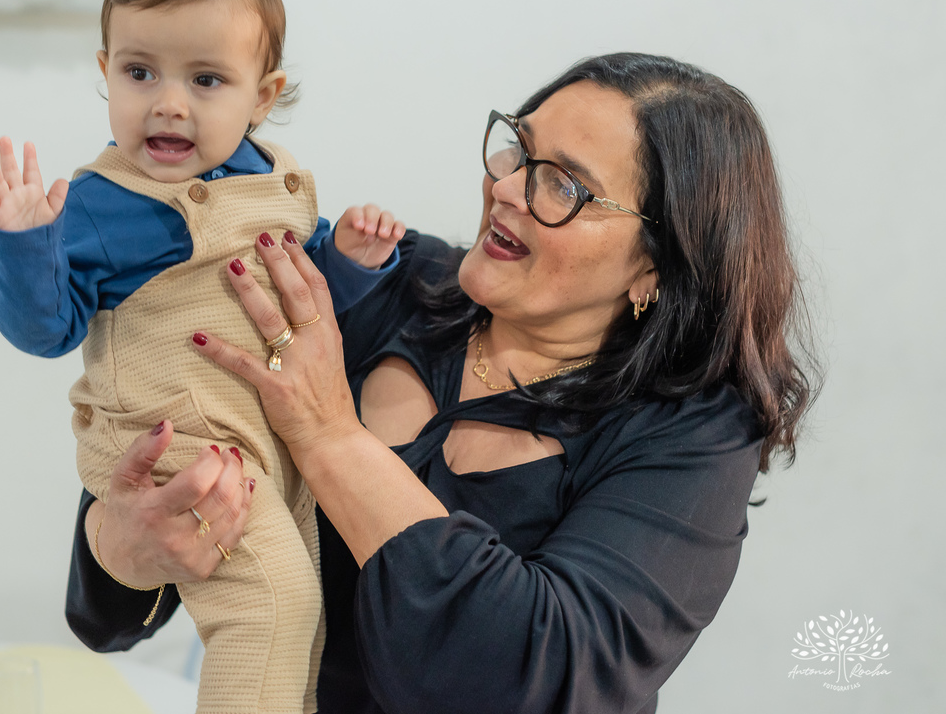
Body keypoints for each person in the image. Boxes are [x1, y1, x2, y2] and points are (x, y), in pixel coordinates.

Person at [65, 52, 817, 714]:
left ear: (656, 265)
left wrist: (329, 436)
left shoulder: (692, 431)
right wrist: (121, 550)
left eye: (564, 186)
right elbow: (116, 594)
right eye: (518, 147)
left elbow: (529, 679)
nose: (509, 188)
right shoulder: (375, 285)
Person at [0, 0, 404, 714]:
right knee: (267, 604)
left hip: (266, 447)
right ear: (104, 68)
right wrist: (23, 244)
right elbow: (46, 328)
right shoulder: (104, 202)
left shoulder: (276, 180)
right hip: (172, 439)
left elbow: (309, 300)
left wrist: (348, 260)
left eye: (206, 79)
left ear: (263, 95)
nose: (169, 103)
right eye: (140, 72)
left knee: (303, 622)